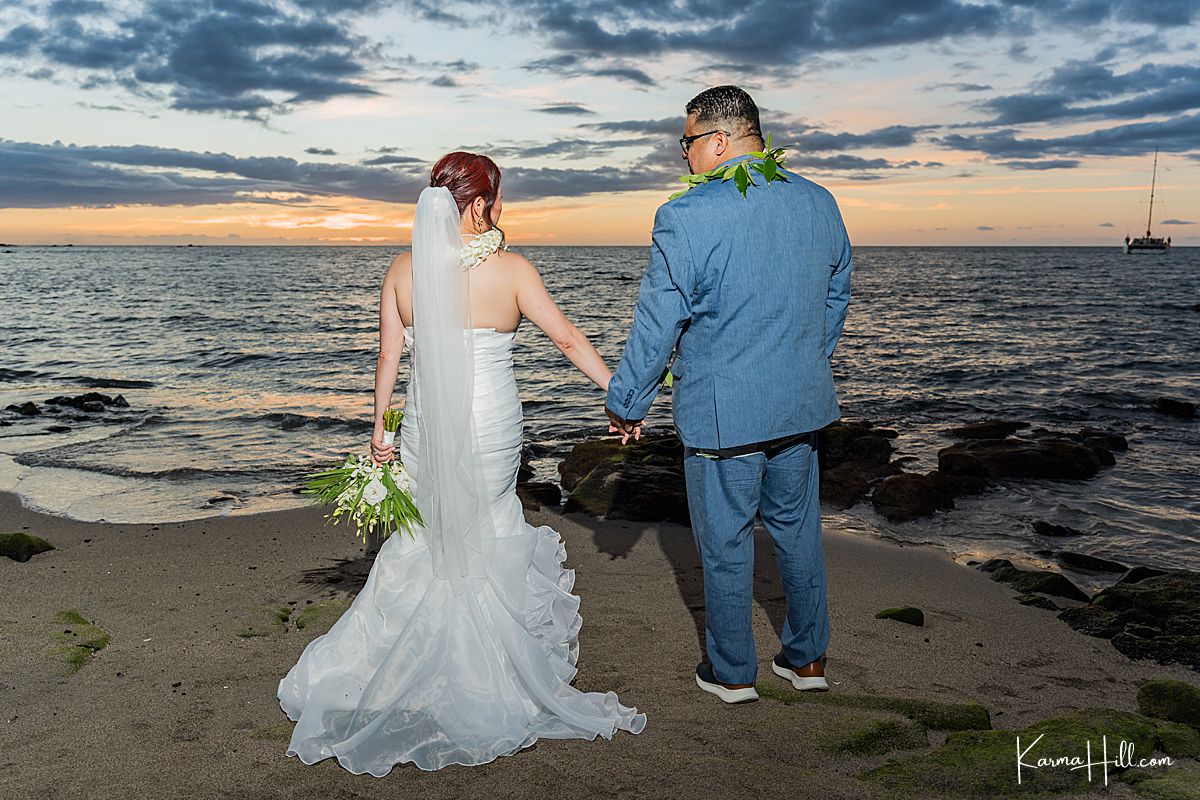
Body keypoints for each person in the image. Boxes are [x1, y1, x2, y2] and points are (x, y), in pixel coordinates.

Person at [277, 152, 645, 775]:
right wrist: (620, 399)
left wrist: (378, 431)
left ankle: (403, 667)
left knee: (427, 534)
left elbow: (389, 357)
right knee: (486, 525)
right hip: (492, 425)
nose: (502, 209)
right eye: (497, 198)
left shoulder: (402, 270)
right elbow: (568, 340)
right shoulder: (513, 270)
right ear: (478, 205)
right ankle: (487, 676)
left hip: (424, 426)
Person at [605, 85, 853, 704]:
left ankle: (734, 672)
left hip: (723, 415)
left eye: (686, 142)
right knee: (797, 533)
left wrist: (627, 401)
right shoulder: (819, 202)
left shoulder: (684, 216)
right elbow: (836, 295)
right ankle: (809, 661)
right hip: (799, 405)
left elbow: (658, 322)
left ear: (718, 141)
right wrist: (802, 361)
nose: (683, 155)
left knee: (725, 544)